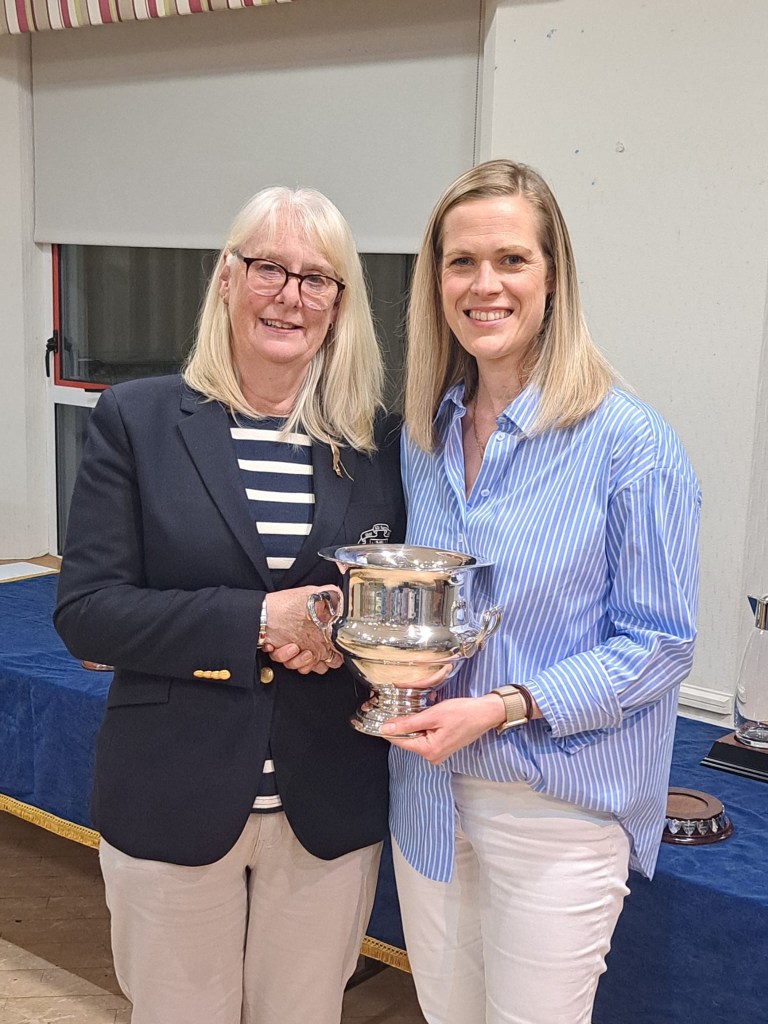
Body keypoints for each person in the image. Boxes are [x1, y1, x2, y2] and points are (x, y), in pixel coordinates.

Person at [53, 186, 406, 1024]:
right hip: (171, 794)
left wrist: (345, 631)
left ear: (339, 303)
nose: (290, 295)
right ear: (226, 277)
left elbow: (392, 602)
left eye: (317, 278)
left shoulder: (377, 442)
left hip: (326, 804)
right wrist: (256, 622)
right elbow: (89, 612)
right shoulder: (138, 419)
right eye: (269, 268)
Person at [379, 159, 700, 1024]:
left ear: (553, 279)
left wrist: (503, 707)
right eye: (461, 262)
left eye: (512, 260)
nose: (484, 285)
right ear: (436, 281)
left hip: (557, 809)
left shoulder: (632, 444)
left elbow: (660, 643)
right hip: (427, 797)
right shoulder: (423, 435)